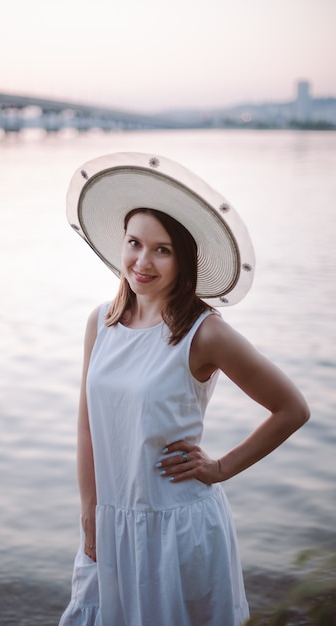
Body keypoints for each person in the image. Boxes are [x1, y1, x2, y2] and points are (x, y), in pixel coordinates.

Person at [59, 152, 309, 626]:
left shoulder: (204, 333)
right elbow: (87, 426)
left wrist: (219, 468)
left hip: (177, 527)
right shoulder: (102, 322)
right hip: (113, 522)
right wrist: (89, 510)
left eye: (162, 249)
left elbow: (291, 408)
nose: (142, 261)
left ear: (184, 258)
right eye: (134, 242)